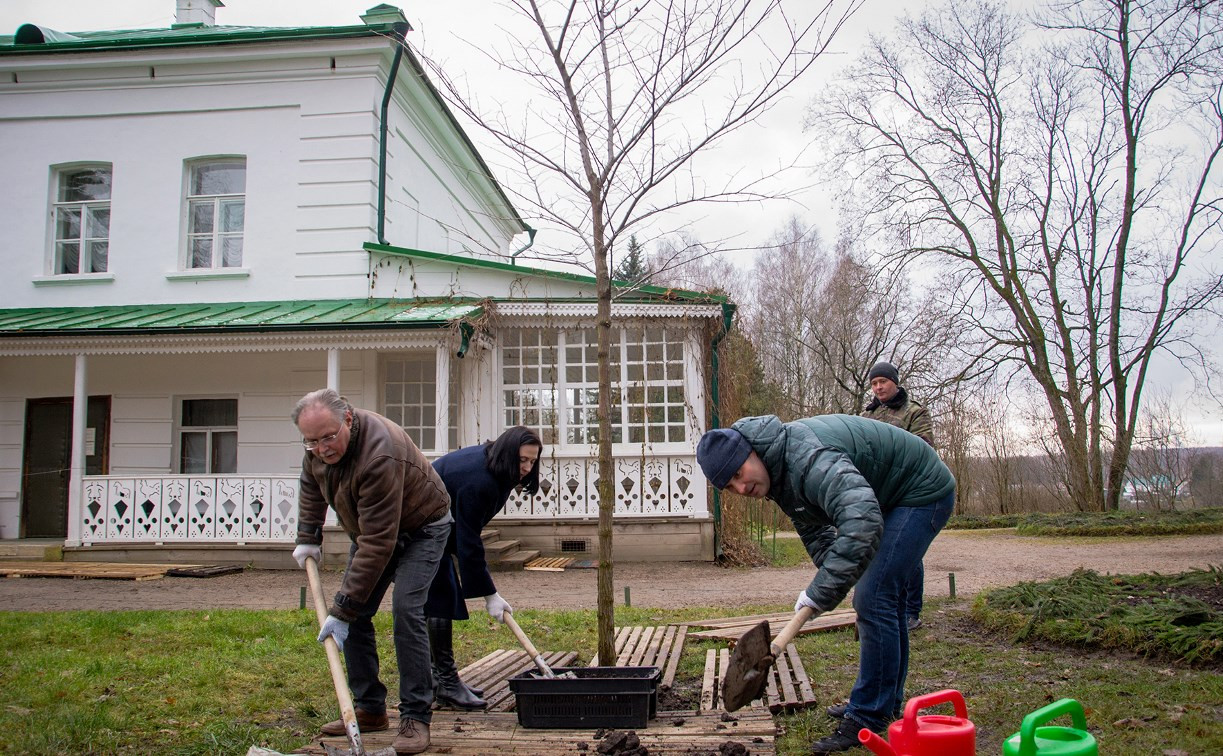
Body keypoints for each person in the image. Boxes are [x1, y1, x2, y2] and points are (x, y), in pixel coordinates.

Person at [697, 414, 954, 753]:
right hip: (888, 499)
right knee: (879, 597)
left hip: (921, 492)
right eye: (730, 487)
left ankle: (867, 717)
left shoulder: (807, 458)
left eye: (738, 474)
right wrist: (828, 583)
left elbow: (861, 519)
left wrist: (822, 592)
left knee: (874, 597)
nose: (742, 488)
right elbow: (816, 531)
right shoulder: (778, 472)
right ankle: (885, 703)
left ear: (751, 452)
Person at [290, 389, 452, 755]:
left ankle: (415, 717)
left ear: (347, 418)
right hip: (374, 529)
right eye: (312, 441)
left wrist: (342, 609)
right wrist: (308, 537)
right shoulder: (316, 450)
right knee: (356, 611)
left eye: (329, 437)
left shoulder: (380, 453)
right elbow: (312, 484)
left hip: (424, 526)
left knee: (406, 611)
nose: (322, 448)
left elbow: (380, 543)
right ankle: (369, 709)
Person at [424, 426, 544, 709]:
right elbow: (469, 539)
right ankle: (445, 682)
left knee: (440, 596)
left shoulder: (496, 465)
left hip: (436, 524)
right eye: (522, 460)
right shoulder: (479, 480)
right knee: (441, 597)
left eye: (532, 461)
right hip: (415, 526)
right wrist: (490, 594)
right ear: (507, 453)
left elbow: (463, 531)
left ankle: (438, 682)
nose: (527, 467)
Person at [860, 361, 934, 633]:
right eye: (874, 383)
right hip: (877, 494)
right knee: (878, 549)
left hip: (907, 492)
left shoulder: (915, 412)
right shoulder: (866, 416)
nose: (878, 387)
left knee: (907, 551)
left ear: (895, 381)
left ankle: (911, 610)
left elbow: (924, 450)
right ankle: (885, 605)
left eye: (883, 382)